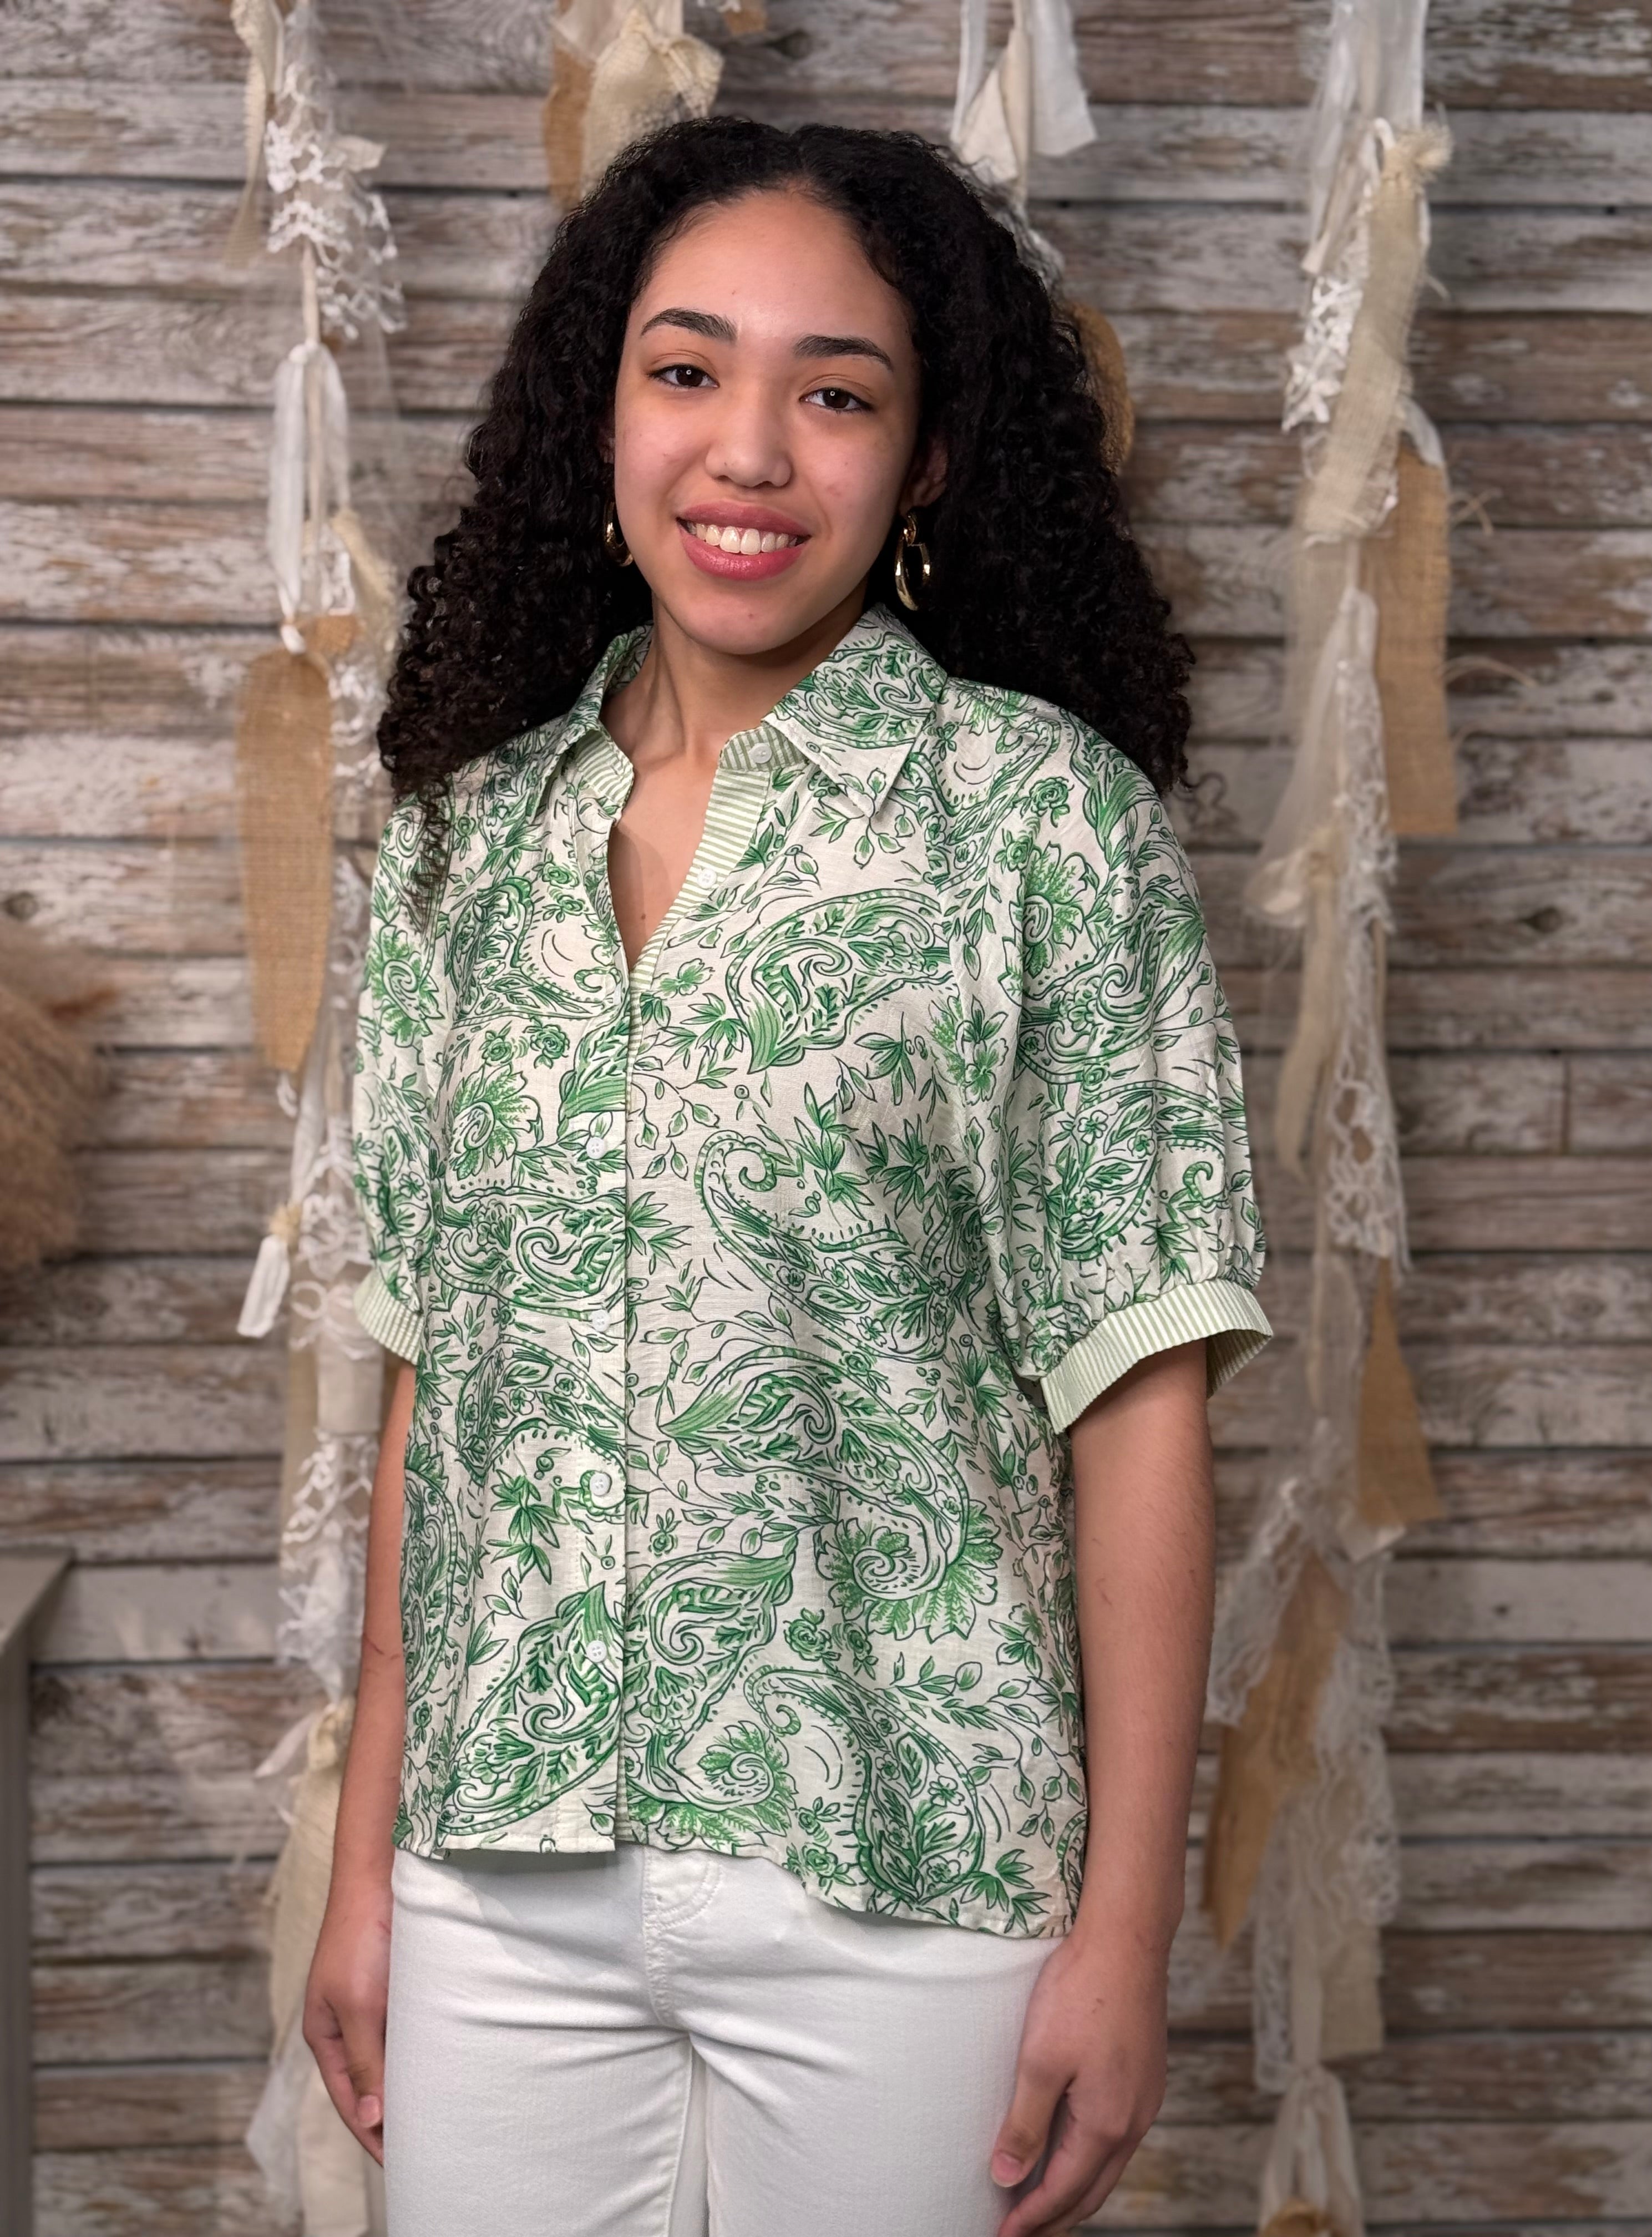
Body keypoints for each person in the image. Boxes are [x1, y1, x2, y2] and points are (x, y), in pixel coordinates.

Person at [305, 115, 1273, 2237]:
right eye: (688, 371)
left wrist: (1125, 1933)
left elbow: (1138, 1404)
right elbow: (434, 1392)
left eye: (835, 394)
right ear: (602, 414)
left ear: (925, 463)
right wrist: (367, 1865)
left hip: (909, 1878)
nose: (747, 450)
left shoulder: (1045, 828)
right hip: (496, 1876)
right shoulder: (466, 842)